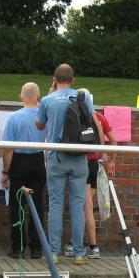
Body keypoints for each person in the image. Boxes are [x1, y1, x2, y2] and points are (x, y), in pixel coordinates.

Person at [36, 64, 94, 265]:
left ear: (54, 79)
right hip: (79, 158)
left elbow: (40, 124)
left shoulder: (47, 100)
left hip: (57, 157)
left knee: (55, 204)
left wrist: (49, 94)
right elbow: (91, 120)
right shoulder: (83, 97)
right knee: (77, 206)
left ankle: (53, 252)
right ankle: (78, 253)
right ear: (73, 80)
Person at [63, 88, 116, 259]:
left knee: (85, 207)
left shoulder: (76, 115)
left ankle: (92, 247)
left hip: (83, 164)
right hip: (95, 166)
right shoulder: (100, 117)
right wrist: (110, 160)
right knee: (84, 205)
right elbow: (113, 140)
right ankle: (74, 243)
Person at [0, 82, 47, 259]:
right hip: (38, 160)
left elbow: (8, 149)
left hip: (19, 162)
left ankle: (18, 247)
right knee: (38, 205)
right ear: (38, 96)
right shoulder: (45, 117)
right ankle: (37, 248)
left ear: (21, 96)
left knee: (17, 205)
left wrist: (5, 172)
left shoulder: (14, 118)